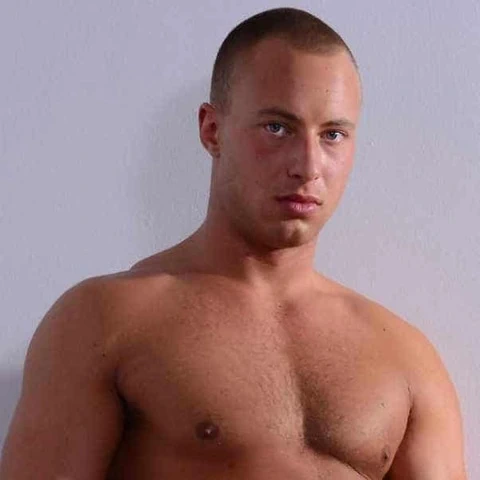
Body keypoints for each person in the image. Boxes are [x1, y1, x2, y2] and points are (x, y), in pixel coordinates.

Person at [0, 7, 467, 480]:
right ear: (212, 130)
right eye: (277, 128)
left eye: (332, 134)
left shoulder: (407, 358)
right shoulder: (103, 321)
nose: (308, 166)